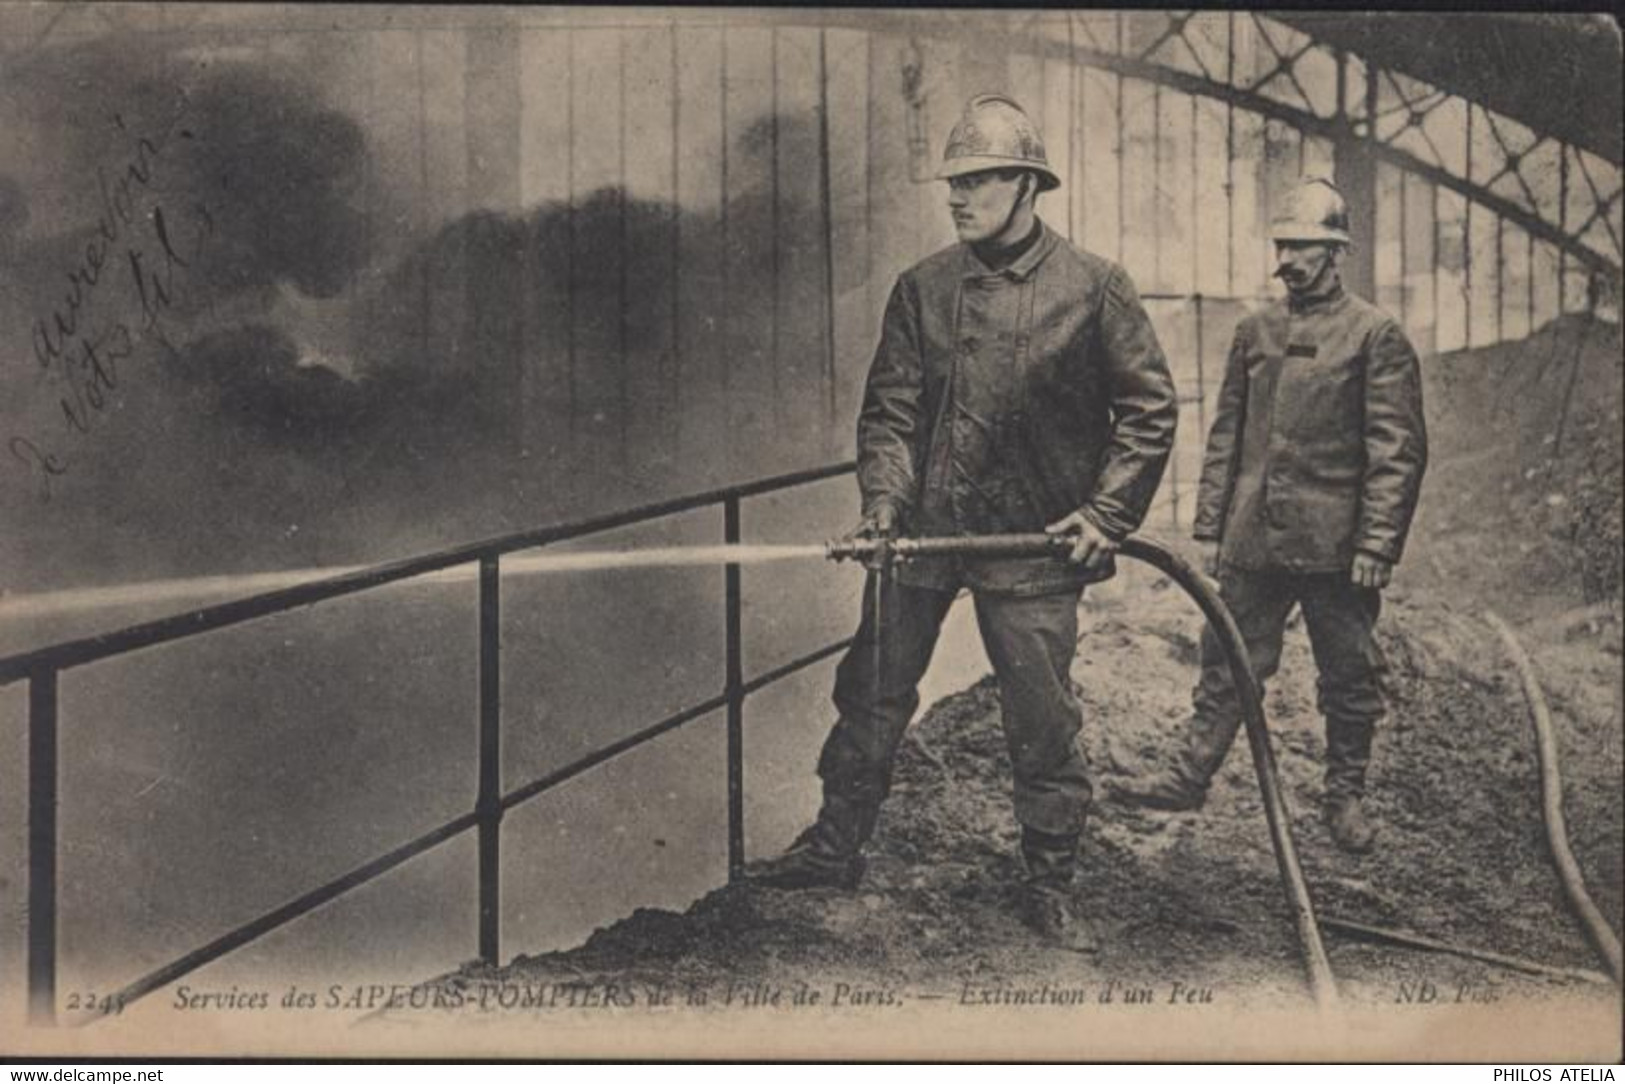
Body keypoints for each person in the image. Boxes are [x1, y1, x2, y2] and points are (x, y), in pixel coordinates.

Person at [745, 94, 1178, 951]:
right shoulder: (923, 289)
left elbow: (1148, 412)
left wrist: (1107, 513)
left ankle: (1049, 879)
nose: (956, 196)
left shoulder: (1094, 289)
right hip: (923, 537)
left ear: (1026, 186)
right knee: (869, 690)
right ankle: (834, 850)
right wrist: (881, 506)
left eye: (976, 180)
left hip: (1033, 545)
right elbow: (890, 416)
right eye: (953, 182)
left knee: (1041, 718)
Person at [1113, 177, 1428, 854]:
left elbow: (1395, 452)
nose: (1287, 259)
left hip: (1336, 547)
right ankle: (1187, 774)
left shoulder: (1374, 335)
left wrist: (1377, 543)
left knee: (1348, 674)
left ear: (1336, 251)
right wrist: (1209, 526)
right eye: (1283, 244)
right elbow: (1226, 435)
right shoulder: (1254, 332)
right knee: (1227, 659)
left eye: (1304, 247)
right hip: (1254, 538)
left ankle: (1344, 796)